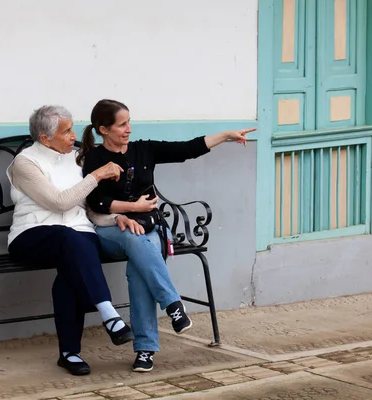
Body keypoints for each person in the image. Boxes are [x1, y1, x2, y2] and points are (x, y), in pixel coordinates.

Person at [79, 99, 256, 373]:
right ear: (103, 129)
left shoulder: (144, 149)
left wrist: (226, 136)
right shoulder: (95, 159)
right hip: (110, 231)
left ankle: (145, 351)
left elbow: (187, 149)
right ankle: (172, 304)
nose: (128, 129)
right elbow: (96, 202)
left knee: (140, 264)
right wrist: (130, 209)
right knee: (134, 240)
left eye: (129, 122)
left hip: (148, 228)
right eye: (121, 124)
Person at [6, 105, 138, 376]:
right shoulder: (25, 163)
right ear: (45, 139)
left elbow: (86, 208)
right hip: (33, 235)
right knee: (71, 240)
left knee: (74, 255)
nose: (73, 136)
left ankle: (69, 353)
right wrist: (97, 175)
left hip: (76, 238)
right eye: (66, 131)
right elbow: (58, 202)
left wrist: (114, 219)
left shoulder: (76, 157)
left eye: (71, 129)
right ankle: (109, 314)